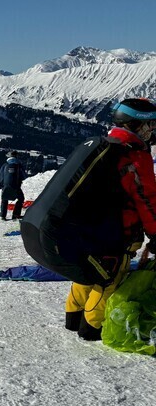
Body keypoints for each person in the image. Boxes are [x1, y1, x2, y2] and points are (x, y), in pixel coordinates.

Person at [65, 98, 156, 340]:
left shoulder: (104, 144)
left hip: (91, 227)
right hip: (119, 231)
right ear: (135, 124)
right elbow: (146, 199)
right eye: (150, 125)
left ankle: (73, 317)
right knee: (109, 280)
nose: (152, 131)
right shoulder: (134, 154)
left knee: (87, 272)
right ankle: (91, 328)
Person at [0, 151, 27, 220]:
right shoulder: (19, 165)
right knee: (21, 199)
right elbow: (24, 176)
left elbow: (0, 175)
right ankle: (16, 214)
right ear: (16, 156)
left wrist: (4, 183)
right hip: (16, 187)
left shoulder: (5, 165)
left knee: (4, 199)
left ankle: (3, 216)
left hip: (5, 186)